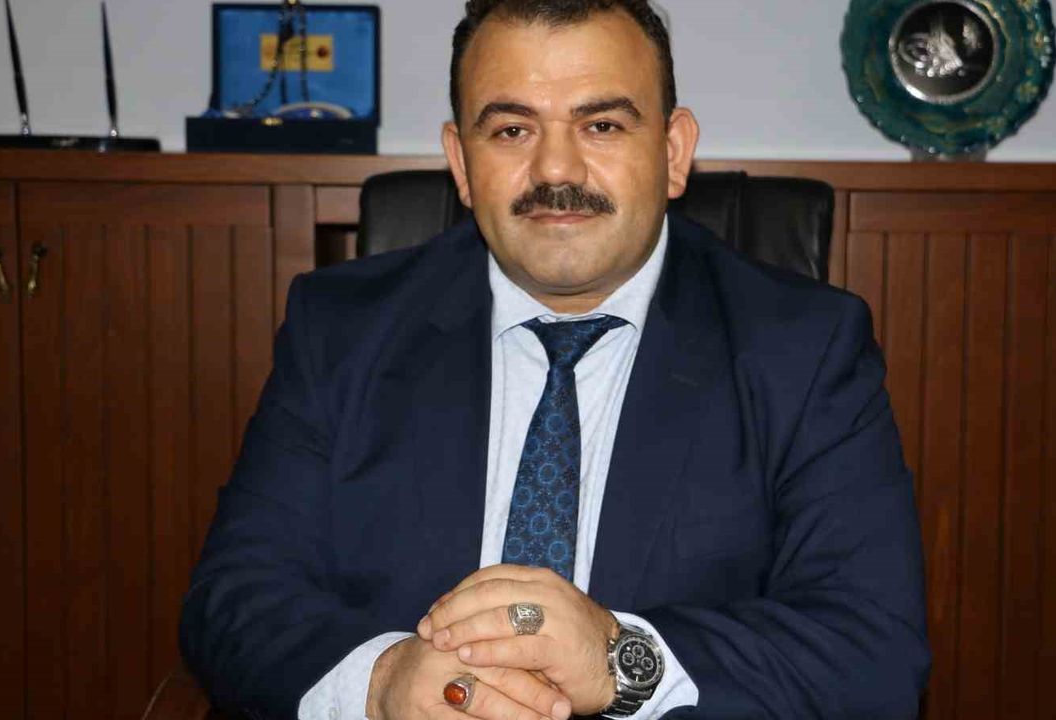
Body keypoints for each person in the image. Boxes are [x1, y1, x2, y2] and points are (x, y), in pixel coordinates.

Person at [179, 1, 931, 718]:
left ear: (673, 153)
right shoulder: (340, 330)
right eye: (511, 130)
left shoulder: (804, 349)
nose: (555, 171)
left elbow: (872, 653)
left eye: (601, 124)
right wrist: (381, 684)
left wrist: (619, 658)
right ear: (460, 162)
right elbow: (234, 600)